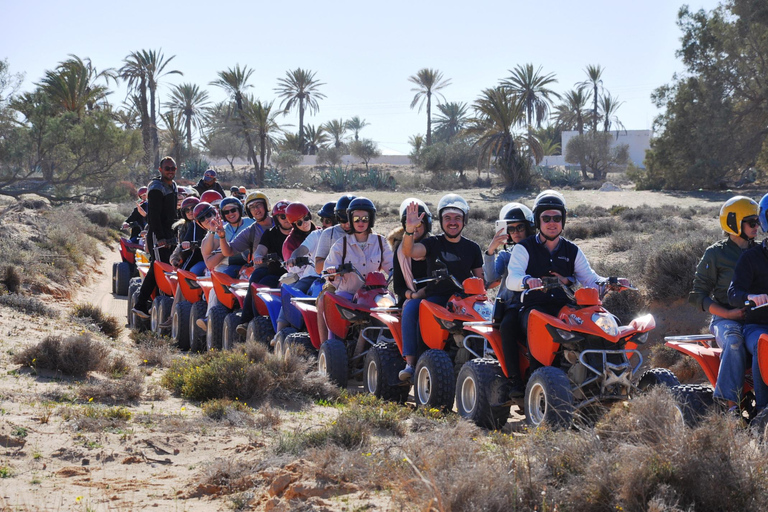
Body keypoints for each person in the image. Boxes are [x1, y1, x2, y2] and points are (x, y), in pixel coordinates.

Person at [502, 190, 613, 397]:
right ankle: (528, 380)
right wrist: (527, 280)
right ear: (538, 220)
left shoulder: (572, 250)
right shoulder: (524, 248)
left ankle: (597, 378)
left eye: (557, 218)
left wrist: (610, 282)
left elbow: (590, 279)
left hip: (564, 308)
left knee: (595, 326)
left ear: (563, 221)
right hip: (534, 308)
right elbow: (512, 279)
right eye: (546, 218)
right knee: (538, 324)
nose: (552, 223)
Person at [399, 194, 484, 381]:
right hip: (435, 297)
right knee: (412, 308)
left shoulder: (473, 248)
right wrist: (410, 230)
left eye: (457, 218)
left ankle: (484, 361)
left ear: (464, 221)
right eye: (447, 218)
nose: (452, 222)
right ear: (441, 220)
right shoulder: (433, 243)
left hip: (463, 299)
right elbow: (409, 251)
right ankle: (412, 363)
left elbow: (480, 279)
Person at [690, 196, 758, 411]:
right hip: (726, 319)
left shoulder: (760, 252)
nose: (757, 227)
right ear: (733, 223)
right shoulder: (715, 254)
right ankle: (730, 407)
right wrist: (728, 315)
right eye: (752, 222)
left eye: (758, 221)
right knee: (734, 342)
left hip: (758, 317)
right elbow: (697, 294)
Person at [321, 197, 394, 351]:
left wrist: (397, 272)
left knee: (394, 311)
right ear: (350, 219)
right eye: (356, 218)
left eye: (365, 218)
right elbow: (328, 270)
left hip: (375, 294)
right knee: (335, 310)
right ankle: (331, 349)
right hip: (348, 293)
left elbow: (392, 265)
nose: (360, 222)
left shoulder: (380, 242)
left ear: (371, 220)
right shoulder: (342, 244)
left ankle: (394, 349)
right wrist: (333, 271)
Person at [727, 192, 768, 415]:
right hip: (758, 326)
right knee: (764, 344)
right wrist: (751, 297)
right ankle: (763, 411)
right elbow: (733, 293)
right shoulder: (751, 258)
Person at [227, 200, 292, 332]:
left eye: (289, 216)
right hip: (276, 272)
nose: (287, 220)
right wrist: (258, 256)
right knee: (260, 282)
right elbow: (260, 249)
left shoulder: (304, 230)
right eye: (282, 216)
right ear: (276, 218)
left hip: (302, 273)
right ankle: (252, 322)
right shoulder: (269, 233)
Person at [132, 157, 179, 319]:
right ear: (160, 170)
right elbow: (154, 216)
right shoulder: (156, 187)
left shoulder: (173, 186)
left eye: (173, 168)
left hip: (170, 233)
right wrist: (160, 237)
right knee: (157, 267)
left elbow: (172, 213)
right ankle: (141, 303)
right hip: (158, 234)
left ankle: (159, 298)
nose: (170, 171)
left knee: (166, 266)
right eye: (167, 168)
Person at [314, 194, 355, 343]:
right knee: (324, 301)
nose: (347, 224)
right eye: (343, 219)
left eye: (351, 219)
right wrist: (333, 267)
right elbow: (318, 266)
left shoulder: (368, 234)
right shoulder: (329, 234)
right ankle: (326, 347)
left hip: (364, 283)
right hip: (335, 282)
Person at [484, 203, 535, 301]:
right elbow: (491, 278)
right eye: (511, 229)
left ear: (528, 228)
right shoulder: (505, 255)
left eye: (520, 227)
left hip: (533, 303)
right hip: (508, 304)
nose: (516, 232)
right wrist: (490, 251)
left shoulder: (538, 253)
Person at [388, 198, 432, 307]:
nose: (414, 228)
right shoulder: (400, 251)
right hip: (410, 300)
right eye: (410, 224)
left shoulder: (435, 245)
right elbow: (398, 287)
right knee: (411, 310)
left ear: (427, 224)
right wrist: (414, 295)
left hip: (435, 297)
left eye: (418, 224)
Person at [216, 197, 254, 278]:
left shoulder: (252, 222)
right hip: (234, 264)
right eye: (226, 212)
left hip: (256, 263)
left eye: (233, 210)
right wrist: (218, 235)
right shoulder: (222, 229)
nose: (230, 214)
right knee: (224, 279)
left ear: (240, 210)